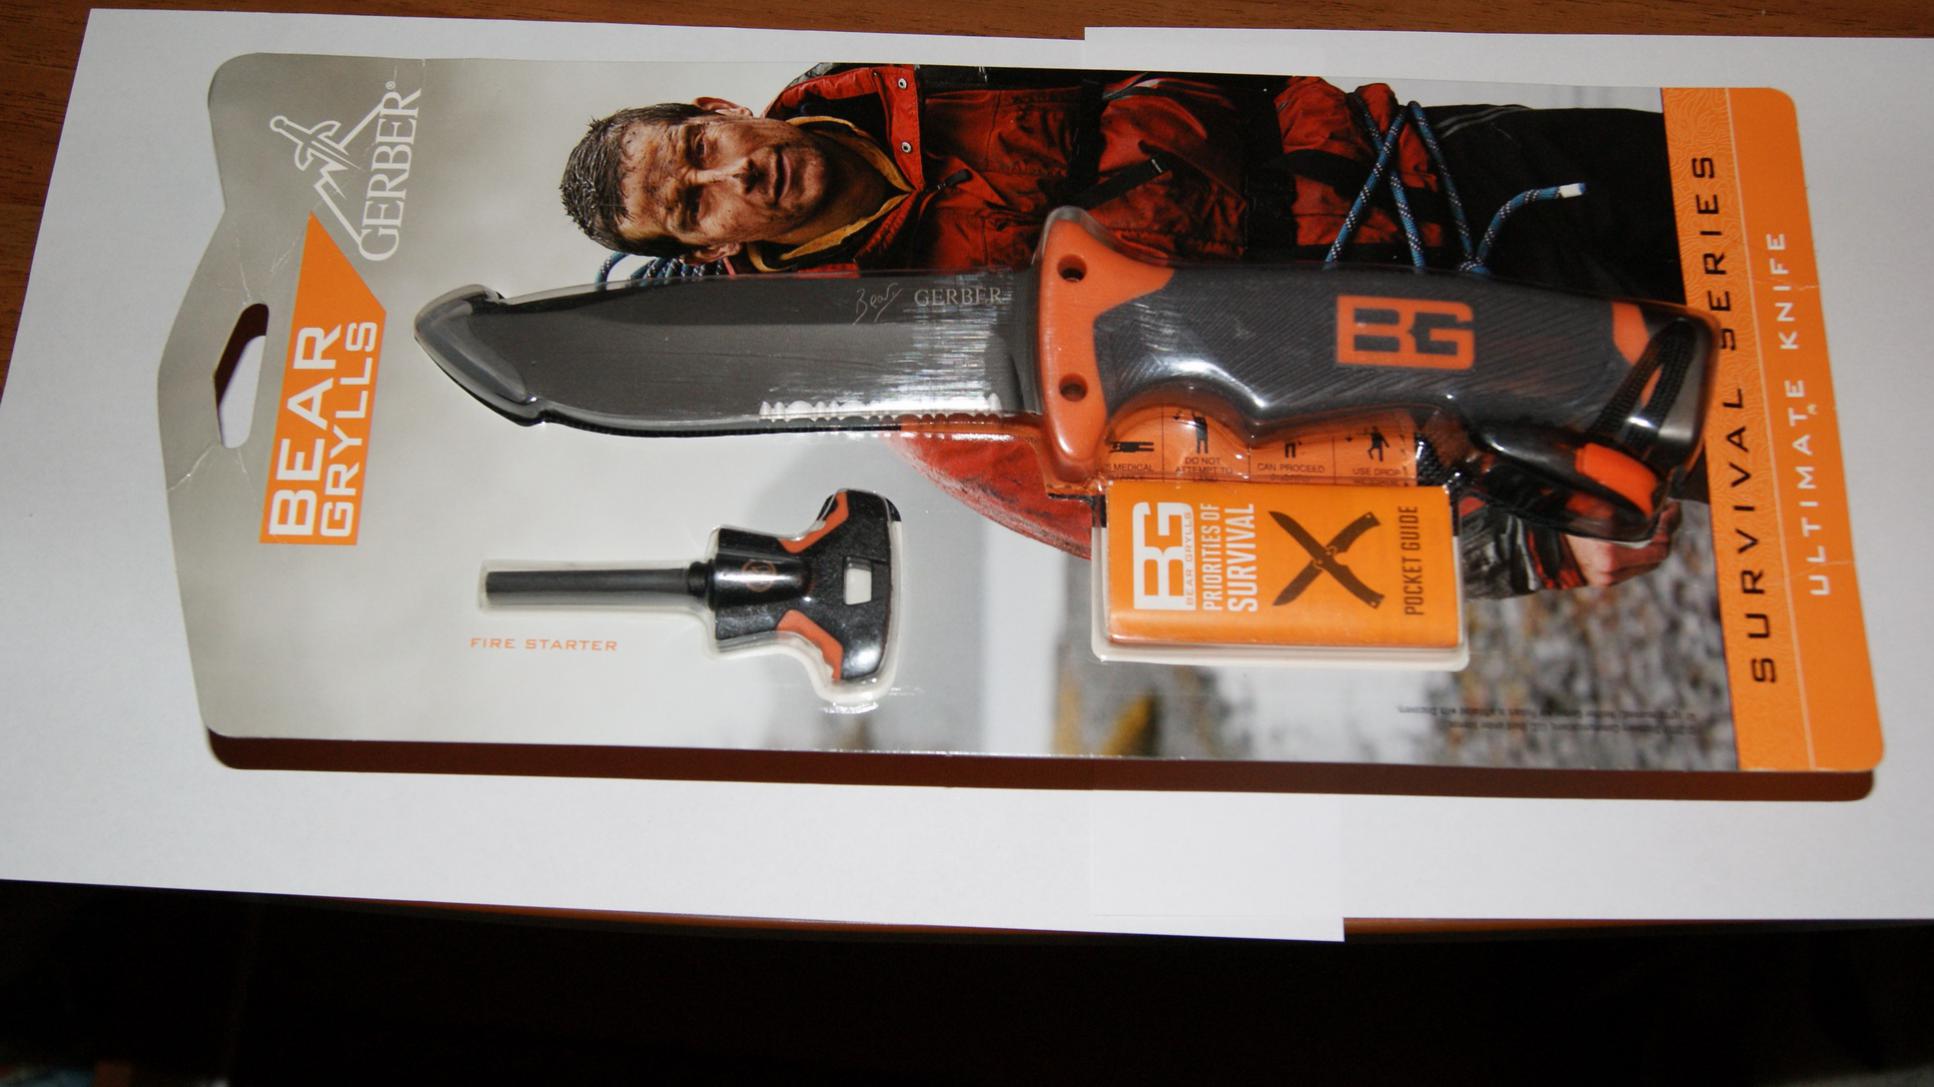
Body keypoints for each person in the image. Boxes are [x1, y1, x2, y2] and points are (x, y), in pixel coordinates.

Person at [560, 65, 1692, 595]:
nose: (733, 177)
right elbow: (1179, 530)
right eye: (693, 206)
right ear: (707, 253)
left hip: (1465, 168)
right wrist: (1519, 547)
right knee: (1756, 413)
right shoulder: (918, 390)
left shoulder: (925, 51)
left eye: (700, 150)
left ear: (716, 109)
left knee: (1762, 210)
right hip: (1481, 391)